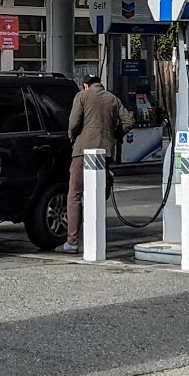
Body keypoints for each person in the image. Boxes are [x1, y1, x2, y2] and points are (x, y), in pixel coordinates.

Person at [62, 73, 131, 254]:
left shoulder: (82, 96)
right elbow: (129, 121)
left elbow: (73, 122)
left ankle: (72, 242)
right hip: (105, 151)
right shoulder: (113, 99)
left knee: (75, 194)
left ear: (86, 85)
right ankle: (97, 240)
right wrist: (115, 135)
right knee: (97, 194)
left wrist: (72, 137)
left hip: (83, 151)